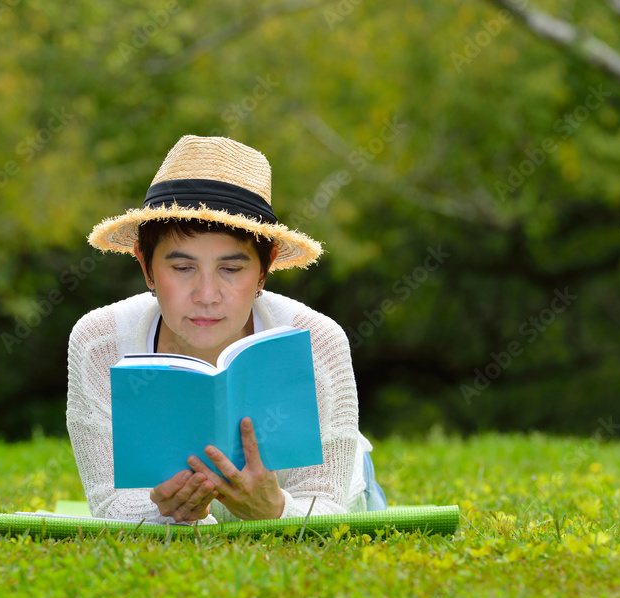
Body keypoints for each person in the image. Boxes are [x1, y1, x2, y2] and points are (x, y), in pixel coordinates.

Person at [67, 135, 387, 524]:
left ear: (264, 269)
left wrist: (275, 511)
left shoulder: (315, 340)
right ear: (145, 265)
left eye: (231, 269)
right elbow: (110, 505)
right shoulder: (99, 342)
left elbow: (329, 506)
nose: (206, 295)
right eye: (182, 268)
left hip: (345, 497)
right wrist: (175, 517)